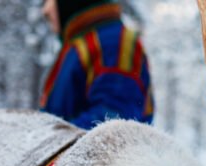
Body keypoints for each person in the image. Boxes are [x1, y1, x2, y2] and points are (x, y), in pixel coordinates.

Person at [40, 0, 154, 129]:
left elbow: (112, 125)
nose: (45, 10)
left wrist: (50, 136)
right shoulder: (82, 43)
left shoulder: (113, 42)